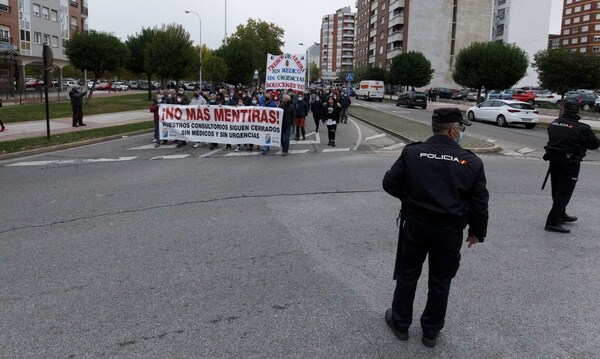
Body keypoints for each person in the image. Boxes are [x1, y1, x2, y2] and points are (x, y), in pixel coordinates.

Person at [382, 108, 489, 348]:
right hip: (449, 231)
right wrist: (476, 232)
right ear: (452, 131)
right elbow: (479, 202)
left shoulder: (413, 153)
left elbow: (389, 183)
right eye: (460, 129)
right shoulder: (471, 161)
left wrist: (410, 200)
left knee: (407, 275)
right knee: (441, 281)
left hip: (417, 225)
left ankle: (400, 323)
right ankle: (430, 331)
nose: (461, 133)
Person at [543, 101, 600, 233]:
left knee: (556, 189)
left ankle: (561, 214)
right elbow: (594, 145)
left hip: (554, 161)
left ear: (563, 110)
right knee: (564, 193)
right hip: (570, 163)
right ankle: (551, 222)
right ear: (577, 111)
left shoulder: (553, 124)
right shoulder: (582, 128)